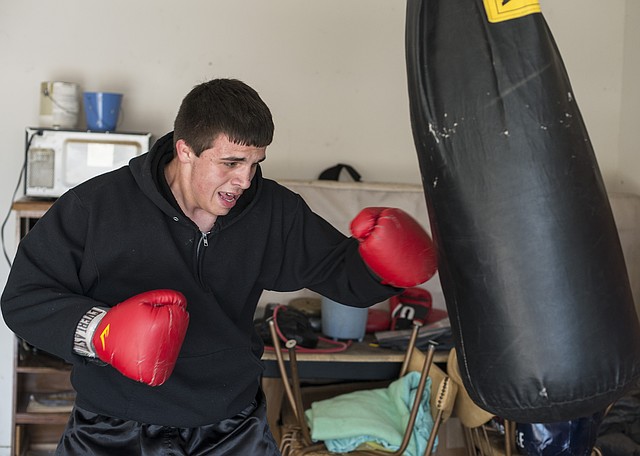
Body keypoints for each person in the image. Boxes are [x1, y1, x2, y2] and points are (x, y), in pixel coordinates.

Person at [1, 78, 437, 455]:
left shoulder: (273, 211)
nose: (245, 181)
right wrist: (101, 331)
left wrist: (385, 269)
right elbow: (24, 300)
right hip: (113, 425)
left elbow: (341, 275)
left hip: (230, 426)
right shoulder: (95, 207)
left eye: (254, 163)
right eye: (231, 163)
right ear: (185, 150)